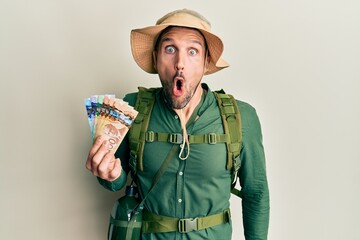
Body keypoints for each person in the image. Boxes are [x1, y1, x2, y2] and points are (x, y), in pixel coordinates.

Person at [86, 9, 269, 240]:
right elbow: (116, 182)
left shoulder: (242, 117)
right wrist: (109, 175)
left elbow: (257, 194)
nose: (179, 63)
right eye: (169, 49)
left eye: (192, 51)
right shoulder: (131, 108)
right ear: (155, 58)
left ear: (206, 62)